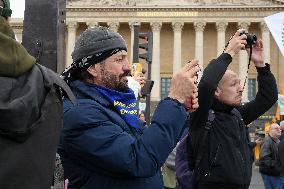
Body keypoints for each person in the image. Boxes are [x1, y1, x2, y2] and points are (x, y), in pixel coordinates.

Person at [58, 26, 199, 189]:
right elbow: (140, 160)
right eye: (119, 59)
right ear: (92, 68)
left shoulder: (116, 107)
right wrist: (174, 100)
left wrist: (181, 110)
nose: (128, 66)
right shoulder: (80, 115)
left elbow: (153, 146)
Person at [186, 29, 278, 189]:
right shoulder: (201, 115)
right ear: (216, 91)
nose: (241, 89)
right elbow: (206, 85)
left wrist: (261, 65)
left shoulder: (237, 115)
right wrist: (228, 52)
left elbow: (268, 97)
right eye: (233, 84)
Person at [259, 123, 283, 189]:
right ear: (270, 131)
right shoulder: (267, 141)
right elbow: (264, 159)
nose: (279, 130)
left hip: (276, 173)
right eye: (276, 129)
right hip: (270, 173)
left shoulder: (277, 140)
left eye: (279, 128)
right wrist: (279, 166)